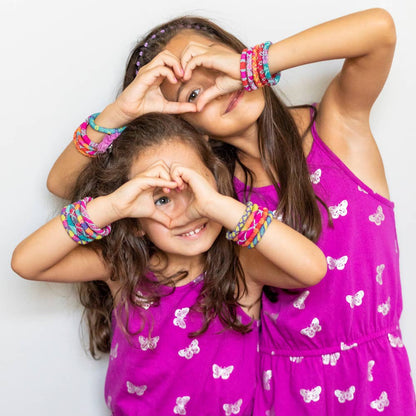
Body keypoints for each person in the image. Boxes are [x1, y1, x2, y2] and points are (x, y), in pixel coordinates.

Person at [45, 8, 416, 415]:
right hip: (277, 387)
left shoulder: (338, 127)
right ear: (187, 127)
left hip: (374, 378)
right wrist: (121, 112)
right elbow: (65, 186)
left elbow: (380, 31)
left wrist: (252, 65)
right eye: (191, 94)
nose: (219, 88)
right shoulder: (212, 196)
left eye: (212, 62)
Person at [12, 113, 326, 415]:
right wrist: (111, 207)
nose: (188, 211)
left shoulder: (241, 263)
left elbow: (311, 268)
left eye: (194, 188)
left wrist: (219, 205)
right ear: (135, 220)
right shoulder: (125, 268)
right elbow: (27, 263)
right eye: (161, 199)